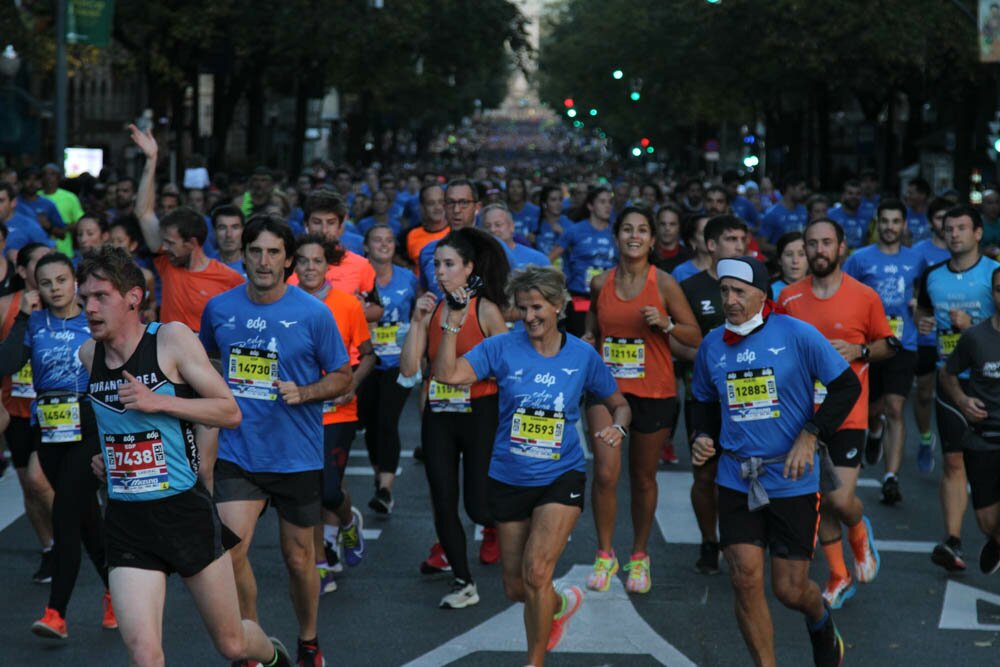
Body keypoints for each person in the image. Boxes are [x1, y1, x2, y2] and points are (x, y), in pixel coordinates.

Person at [77, 245, 294, 666]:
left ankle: (271, 655)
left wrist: (160, 403)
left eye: (100, 296)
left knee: (232, 644)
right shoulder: (90, 356)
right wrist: (105, 460)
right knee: (143, 652)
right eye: (84, 297)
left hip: (184, 514)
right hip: (126, 520)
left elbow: (229, 412)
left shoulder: (171, 340)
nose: (89, 307)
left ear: (133, 298)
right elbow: (115, 426)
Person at [432, 264, 630, 665]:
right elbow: (447, 374)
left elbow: (619, 404)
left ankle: (534, 661)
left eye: (538, 307)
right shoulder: (502, 347)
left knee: (537, 571)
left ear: (559, 306)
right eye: (523, 309)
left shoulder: (582, 355)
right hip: (508, 476)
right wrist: (452, 323)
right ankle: (558, 604)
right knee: (515, 586)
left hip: (561, 475)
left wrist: (618, 430)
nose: (530, 317)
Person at [690, 256, 860, 667]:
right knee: (744, 576)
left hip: (792, 478)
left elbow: (845, 386)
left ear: (762, 295)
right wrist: (701, 436)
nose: (730, 300)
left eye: (740, 292)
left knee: (789, 589)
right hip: (737, 476)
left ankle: (819, 617)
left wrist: (811, 433)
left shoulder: (797, 334)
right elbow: (701, 400)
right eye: (725, 291)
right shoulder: (712, 344)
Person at [199, 217, 351, 666]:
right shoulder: (220, 309)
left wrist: (305, 392)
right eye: (255, 251)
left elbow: (342, 375)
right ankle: (253, 643)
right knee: (232, 549)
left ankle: (308, 640)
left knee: (300, 558)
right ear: (243, 255)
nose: (264, 262)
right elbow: (206, 360)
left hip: (295, 454)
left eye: (273, 253)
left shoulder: (313, 313)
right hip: (237, 450)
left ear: (288, 260)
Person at [583, 206, 701, 594]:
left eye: (642, 230)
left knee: (643, 478)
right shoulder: (600, 283)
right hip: (607, 390)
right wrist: (586, 345)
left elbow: (694, 336)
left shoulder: (664, 284)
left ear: (653, 240)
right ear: (616, 237)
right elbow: (591, 333)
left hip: (654, 391)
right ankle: (604, 552)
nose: (634, 236)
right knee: (605, 472)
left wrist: (666, 323)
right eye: (627, 229)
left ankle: (638, 555)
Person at [779, 219, 895, 609]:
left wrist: (858, 351)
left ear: (842, 247)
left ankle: (859, 533)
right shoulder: (790, 299)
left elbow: (888, 345)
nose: (818, 250)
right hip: (801, 416)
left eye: (827, 242)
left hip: (848, 413)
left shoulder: (864, 297)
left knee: (840, 500)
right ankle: (838, 573)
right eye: (811, 244)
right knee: (819, 500)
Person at [0, 252, 116, 639]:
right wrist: (21, 319)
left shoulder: (94, 319)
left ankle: (56, 613)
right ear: (37, 286)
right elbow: (8, 363)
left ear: (75, 282)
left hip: (87, 426)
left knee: (65, 514)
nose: (55, 289)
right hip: (48, 432)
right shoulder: (35, 323)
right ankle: (116, 593)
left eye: (62, 281)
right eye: (46, 283)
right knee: (87, 524)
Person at [399, 227, 510, 607]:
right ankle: (464, 581)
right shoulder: (429, 310)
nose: (441, 272)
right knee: (443, 499)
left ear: (469, 269)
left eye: (449, 265)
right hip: (440, 416)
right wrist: (417, 321)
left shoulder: (486, 311)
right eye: (436, 264)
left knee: (479, 507)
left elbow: (511, 366)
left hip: (481, 412)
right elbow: (410, 367)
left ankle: (520, 526)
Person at [916, 205, 1000, 572]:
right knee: (953, 460)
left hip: (991, 384)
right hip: (950, 380)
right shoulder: (933, 275)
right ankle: (952, 540)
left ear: (978, 233)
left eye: (962, 228)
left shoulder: (993, 273)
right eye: (948, 229)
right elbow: (921, 314)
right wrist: (923, 325)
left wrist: (973, 323)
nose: (954, 235)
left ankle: (993, 536)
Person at [293, 234, 375, 593]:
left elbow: (369, 353)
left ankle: (346, 521)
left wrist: (351, 385)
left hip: (338, 412)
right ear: (293, 266)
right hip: (297, 411)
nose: (310, 267)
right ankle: (320, 563)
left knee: (328, 490)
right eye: (303, 261)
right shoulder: (285, 304)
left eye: (316, 261)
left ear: (328, 267)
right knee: (306, 491)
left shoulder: (347, 305)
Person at [673, 214, 750, 573]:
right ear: (711, 245)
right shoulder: (690, 287)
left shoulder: (756, 284)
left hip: (750, 397)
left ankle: (740, 542)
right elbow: (675, 341)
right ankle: (709, 540)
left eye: (742, 239)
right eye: (731, 239)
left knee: (746, 473)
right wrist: (710, 359)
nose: (739, 245)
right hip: (703, 399)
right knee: (704, 476)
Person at [844, 199, 924, 505]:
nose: (890, 227)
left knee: (894, 406)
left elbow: (923, 294)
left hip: (904, 343)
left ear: (904, 225)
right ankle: (874, 432)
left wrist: (920, 309)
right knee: (873, 410)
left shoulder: (916, 260)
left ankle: (891, 477)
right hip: (870, 344)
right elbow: (846, 294)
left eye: (896, 222)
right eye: (885, 221)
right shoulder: (859, 259)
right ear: (877, 223)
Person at [0, 243, 56, 583]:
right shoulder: (6, 307)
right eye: (38, 262)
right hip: (18, 408)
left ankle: (70, 535)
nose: (47, 266)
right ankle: (50, 547)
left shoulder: (68, 307)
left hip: (57, 411)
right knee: (29, 487)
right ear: (22, 271)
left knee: (42, 479)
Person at [939, 266, 1000, 575]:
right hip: (983, 438)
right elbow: (947, 374)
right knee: (988, 521)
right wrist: (962, 401)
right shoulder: (976, 337)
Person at [357, 224, 419, 514]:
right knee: (370, 421)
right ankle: (378, 474)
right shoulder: (358, 278)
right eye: (377, 240)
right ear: (366, 246)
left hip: (398, 361)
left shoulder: (409, 278)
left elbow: (418, 318)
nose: (384, 244)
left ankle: (385, 489)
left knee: (387, 419)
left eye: (389, 240)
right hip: (366, 359)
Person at [291, 189, 382, 322]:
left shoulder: (360, 265)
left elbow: (377, 307)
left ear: (341, 226)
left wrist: (362, 312)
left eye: (331, 222)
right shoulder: (287, 263)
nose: (324, 230)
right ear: (306, 224)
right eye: (317, 222)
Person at [911, 198, 954, 473]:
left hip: (960, 338)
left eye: (949, 219)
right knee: (925, 393)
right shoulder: (918, 252)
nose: (945, 224)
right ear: (931, 222)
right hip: (927, 337)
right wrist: (916, 309)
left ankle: (961, 454)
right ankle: (926, 438)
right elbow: (911, 291)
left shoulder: (964, 252)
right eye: (940, 218)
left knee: (956, 395)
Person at [549, 186, 617, 336]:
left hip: (609, 297)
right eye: (602, 202)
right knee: (581, 341)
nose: (608, 206)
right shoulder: (575, 230)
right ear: (590, 206)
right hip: (580, 296)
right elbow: (549, 258)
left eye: (610, 202)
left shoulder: (616, 232)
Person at [419, 179, 482, 297]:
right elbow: (423, 292)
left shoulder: (494, 248)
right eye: (451, 203)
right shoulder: (428, 251)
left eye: (463, 203)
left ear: (477, 207)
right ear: (444, 207)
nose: (456, 210)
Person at [481, 203, 551, 268]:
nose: (492, 230)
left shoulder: (537, 259)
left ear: (512, 226)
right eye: (487, 226)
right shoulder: (479, 259)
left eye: (498, 225)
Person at [38, 163, 84, 257]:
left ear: (58, 177)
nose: (48, 177)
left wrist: (63, 228)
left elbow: (81, 222)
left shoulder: (70, 197)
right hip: (40, 252)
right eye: (45, 174)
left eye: (52, 174)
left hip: (65, 252)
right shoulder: (35, 196)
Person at [758, 172, 808, 256]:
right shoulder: (772, 214)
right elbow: (761, 244)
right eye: (801, 189)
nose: (805, 193)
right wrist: (785, 250)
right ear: (790, 188)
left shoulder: (804, 211)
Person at [400, 184, 449, 270]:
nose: (437, 207)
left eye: (441, 202)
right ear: (422, 208)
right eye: (431, 203)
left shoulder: (457, 232)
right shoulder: (411, 235)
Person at [533, 184, 575, 263]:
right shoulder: (535, 224)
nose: (558, 203)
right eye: (553, 200)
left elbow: (578, 253)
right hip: (540, 272)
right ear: (544, 204)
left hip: (563, 274)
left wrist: (563, 235)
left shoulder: (570, 225)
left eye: (560, 199)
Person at [828, 179, 870, 250]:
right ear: (843, 195)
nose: (854, 197)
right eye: (850, 193)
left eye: (858, 194)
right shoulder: (830, 215)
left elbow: (867, 242)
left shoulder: (867, 217)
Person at [669, 213, 711, 283]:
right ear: (692, 241)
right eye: (704, 233)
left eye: (713, 232)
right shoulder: (680, 273)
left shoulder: (727, 269)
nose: (710, 237)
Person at [651, 204, 692, 274]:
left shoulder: (690, 259)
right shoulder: (647, 256)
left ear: (679, 227)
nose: (667, 228)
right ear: (656, 226)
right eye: (663, 224)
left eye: (672, 224)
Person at [212, 204, 247, 277]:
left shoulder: (254, 266)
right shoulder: (205, 266)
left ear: (243, 231)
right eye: (222, 228)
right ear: (214, 232)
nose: (229, 234)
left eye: (235, 227)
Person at [770, 231, 807, 295]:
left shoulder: (820, 287)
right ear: (779, 260)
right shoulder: (769, 289)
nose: (795, 261)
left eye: (801, 254)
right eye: (789, 255)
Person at [506, 176, 540, 242]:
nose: (515, 190)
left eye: (519, 187)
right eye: (511, 187)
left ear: (524, 190)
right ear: (507, 190)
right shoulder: (502, 211)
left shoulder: (535, 211)